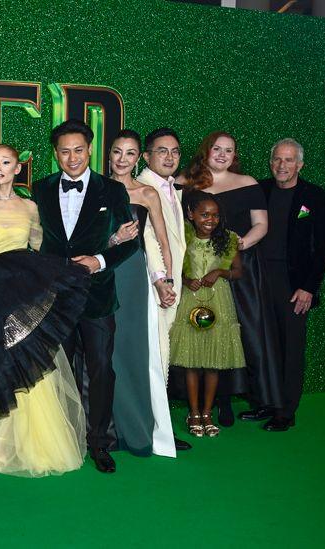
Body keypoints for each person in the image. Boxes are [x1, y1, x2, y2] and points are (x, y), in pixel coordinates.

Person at [0, 144, 89, 477]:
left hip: (25, 296)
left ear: (17, 169)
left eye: (6, 162)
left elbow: (38, 250)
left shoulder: (31, 208)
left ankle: (37, 444)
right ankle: (2, 444)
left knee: (31, 366)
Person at [32, 119, 138, 473]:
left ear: (90, 150)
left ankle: (99, 442)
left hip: (97, 297)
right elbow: (39, 241)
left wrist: (99, 259)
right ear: (56, 154)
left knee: (101, 369)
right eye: (65, 151)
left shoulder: (112, 190)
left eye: (79, 150)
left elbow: (131, 241)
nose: (72, 157)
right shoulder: (41, 188)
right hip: (56, 298)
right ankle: (67, 438)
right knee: (58, 370)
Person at [180, 132, 282, 426]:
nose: (223, 154)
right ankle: (212, 404)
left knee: (248, 333)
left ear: (234, 155)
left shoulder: (248, 183)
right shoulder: (186, 182)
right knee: (202, 333)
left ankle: (260, 399)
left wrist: (239, 246)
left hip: (241, 268)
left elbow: (261, 225)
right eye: (217, 149)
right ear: (206, 151)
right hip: (198, 269)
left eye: (229, 150)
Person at [107, 130, 177, 458]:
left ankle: (135, 430)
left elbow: (162, 241)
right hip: (102, 273)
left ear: (139, 158)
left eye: (130, 153)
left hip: (133, 275)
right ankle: (105, 429)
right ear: (108, 154)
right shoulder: (96, 187)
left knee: (134, 350)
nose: (123, 159)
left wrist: (167, 281)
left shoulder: (148, 193)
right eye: (118, 152)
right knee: (102, 352)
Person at [256, 139, 325, 431]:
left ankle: (286, 411)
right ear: (271, 162)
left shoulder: (315, 197)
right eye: (277, 159)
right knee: (264, 344)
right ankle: (266, 401)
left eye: (288, 160)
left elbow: (321, 246)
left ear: (299, 165)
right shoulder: (259, 190)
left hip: (294, 286)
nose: (282, 166)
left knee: (290, 348)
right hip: (260, 280)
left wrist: (309, 288)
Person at [169, 192, 245, 438]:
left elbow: (238, 271)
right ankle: (193, 413)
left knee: (213, 363)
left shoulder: (229, 239)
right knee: (192, 362)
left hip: (219, 302)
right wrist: (185, 279)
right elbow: (172, 269)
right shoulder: (182, 239)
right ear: (190, 214)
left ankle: (207, 413)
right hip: (190, 302)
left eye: (214, 215)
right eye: (204, 214)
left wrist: (220, 273)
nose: (210, 220)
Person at [137, 127, 194, 452]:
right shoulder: (144, 187)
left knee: (161, 354)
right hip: (153, 284)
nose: (170, 157)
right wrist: (162, 281)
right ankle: (158, 433)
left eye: (174, 151)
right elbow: (148, 239)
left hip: (170, 283)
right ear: (147, 156)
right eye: (162, 151)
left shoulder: (172, 188)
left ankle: (157, 427)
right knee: (156, 356)